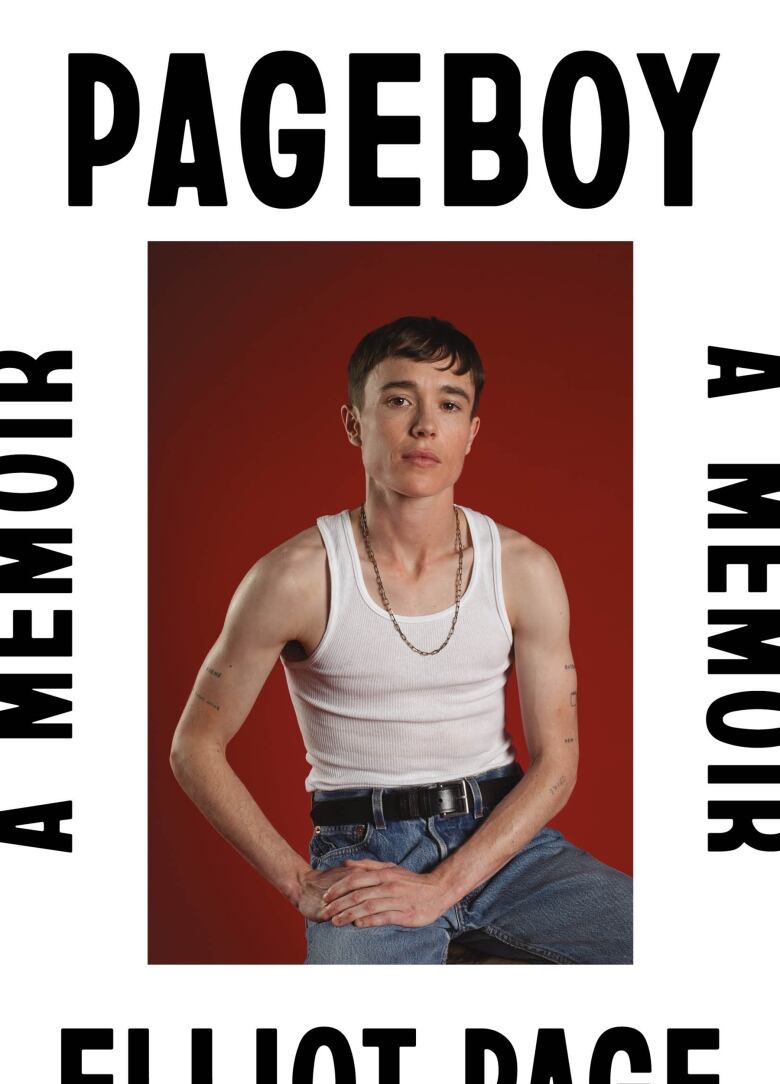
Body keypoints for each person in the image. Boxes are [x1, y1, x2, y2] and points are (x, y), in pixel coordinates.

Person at [170, 315, 632, 964]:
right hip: (365, 854)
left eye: (449, 404)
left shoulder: (525, 570)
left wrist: (443, 886)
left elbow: (557, 765)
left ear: (470, 434)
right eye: (397, 399)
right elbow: (195, 746)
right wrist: (299, 882)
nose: (424, 424)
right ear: (354, 423)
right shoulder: (293, 579)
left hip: (507, 847)